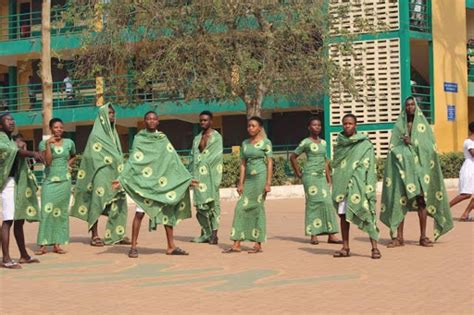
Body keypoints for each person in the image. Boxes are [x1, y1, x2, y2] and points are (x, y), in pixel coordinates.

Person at [113, 111, 193, 258]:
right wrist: (122, 178)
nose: (151, 121)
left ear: (158, 122)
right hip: (145, 184)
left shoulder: (162, 138)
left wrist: (186, 178)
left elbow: (172, 158)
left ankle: (171, 246)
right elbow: (133, 161)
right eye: (148, 119)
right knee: (139, 213)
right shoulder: (139, 138)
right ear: (144, 121)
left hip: (161, 183)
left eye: (154, 119)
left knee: (167, 212)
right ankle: (133, 246)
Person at [380, 97, 453, 247]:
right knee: (400, 201)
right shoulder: (399, 126)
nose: (410, 107)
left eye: (412, 104)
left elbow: (429, 148)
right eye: (407, 105)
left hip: (420, 172)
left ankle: (423, 237)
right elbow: (392, 148)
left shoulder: (423, 126)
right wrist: (402, 146)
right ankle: (399, 238)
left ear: (417, 106)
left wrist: (412, 142)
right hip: (403, 172)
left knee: (422, 202)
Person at [70, 104, 129, 246]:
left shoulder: (113, 134)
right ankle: (95, 235)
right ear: (102, 116)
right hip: (101, 173)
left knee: (119, 201)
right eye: (109, 113)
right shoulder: (96, 135)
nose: (112, 115)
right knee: (97, 201)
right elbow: (91, 157)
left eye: (113, 113)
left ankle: (117, 234)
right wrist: (106, 162)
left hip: (115, 174)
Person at [332, 114, 381, 259]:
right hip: (343, 184)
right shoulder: (340, 143)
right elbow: (338, 165)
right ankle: (345, 247)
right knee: (342, 215)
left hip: (360, 185)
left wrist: (368, 185)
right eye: (345, 124)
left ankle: (374, 248)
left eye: (350, 123)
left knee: (367, 213)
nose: (347, 126)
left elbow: (370, 166)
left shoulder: (365, 144)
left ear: (355, 125)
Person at [223, 116, 273, 254]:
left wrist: (268, 183)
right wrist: (240, 183)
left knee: (257, 208)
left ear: (260, 128)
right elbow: (243, 164)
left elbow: (269, 163)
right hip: (249, 180)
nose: (250, 128)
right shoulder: (244, 143)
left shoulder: (266, 143)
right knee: (240, 208)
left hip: (261, 178)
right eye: (249, 126)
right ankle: (237, 243)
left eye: (253, 126)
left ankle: (258, 244)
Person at [0, 112, 43, 269]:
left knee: (19, 220)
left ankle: (23, 255)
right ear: (0, 125)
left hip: (17, 183)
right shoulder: (1, 140)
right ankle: (5, 258)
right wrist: (33, 153)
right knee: (8, 221)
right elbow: (15, 153)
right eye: (7, 120)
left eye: (12, 120)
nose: (11, 122)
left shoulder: (11, 140)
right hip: (8, 184)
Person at [290, 117, 341, 245]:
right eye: (314, 125)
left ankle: (331, 235)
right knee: (313, 203)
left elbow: (325, 161)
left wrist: (329, 179)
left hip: (321, 177)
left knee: (328, 203)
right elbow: (293, 156)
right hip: (310, 176)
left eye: (319, 125)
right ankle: (313, 234)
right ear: (309, 127)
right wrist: (298, 173)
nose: (317, 127)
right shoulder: (305, 142)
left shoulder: (323, 143)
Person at [35, 118, 76, 255]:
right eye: (56, 127)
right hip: (49, 181)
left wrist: (68, 165)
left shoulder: (69, 143)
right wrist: (48, 145)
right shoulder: (43, 143)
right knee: (46, 212)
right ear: (51, 129)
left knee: (61, 213)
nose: (59, 129)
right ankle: (43, 244)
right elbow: (47, 162)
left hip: (65, 181)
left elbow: (74, 156)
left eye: (61, 127)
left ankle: (57, 244)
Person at [189, 110, 223, 244]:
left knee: (213, 205)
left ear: (211, 121)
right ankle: (205, 233)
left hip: (211, 177)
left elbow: (216, 157)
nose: (203, 122)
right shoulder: (197, 138)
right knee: (200, 206)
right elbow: (193, 157)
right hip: (198, 178)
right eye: (201, 120)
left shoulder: (216, 137)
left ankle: (214, 234)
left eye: (205, 120)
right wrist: (190, 175)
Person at [449, 121, 474, 221]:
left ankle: (465, 214)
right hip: (469, 169)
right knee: (466, 194)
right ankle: (444, 209)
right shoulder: (469, 142)